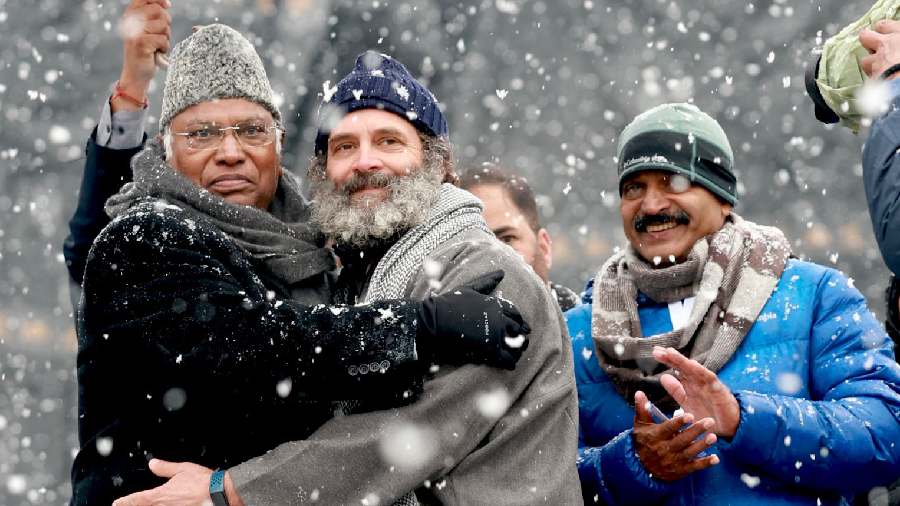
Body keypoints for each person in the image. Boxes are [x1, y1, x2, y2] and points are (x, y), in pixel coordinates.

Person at [71, 19, 530, 506]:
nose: (231, 152)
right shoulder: (143, 236)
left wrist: (556, 313)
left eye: (251, 130)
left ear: (277, 139)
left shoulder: (315, 250)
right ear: (167, 149)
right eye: (201, 134)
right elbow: (251, 348)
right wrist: (417, 327)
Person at [566, 102, 900, 505]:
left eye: (673, 182)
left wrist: (744, 420)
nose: (651, 206)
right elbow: (534, 476)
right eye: (634, 187)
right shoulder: (578, 332)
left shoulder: (814, 296)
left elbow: (886, 433)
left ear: (723, 198)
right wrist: (631, 464)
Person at [460, 165, 580, 311]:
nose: (491, 256)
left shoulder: (596, 331)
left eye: (507, 239)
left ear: (544, 247)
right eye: (473, 245)